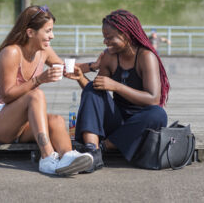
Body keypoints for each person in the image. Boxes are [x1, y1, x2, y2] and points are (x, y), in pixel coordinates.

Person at [0, 5, 93, 176]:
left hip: (20, 120)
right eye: (48, 31)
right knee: (36, 95)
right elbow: (7, 95)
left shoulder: (44, 51)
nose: (52, 36)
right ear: (30, 32)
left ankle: (68, 158)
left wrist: (95, 65)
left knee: (57, 120)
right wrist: (39, 80)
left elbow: (67, 68)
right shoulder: (11, 52)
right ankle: (47, 157)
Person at [65, 9, 170, 173]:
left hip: (139, 123)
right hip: (116, 119)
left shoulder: (146, 56)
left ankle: (103, 147)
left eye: (109, 37)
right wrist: (80, 77)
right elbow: (96, 92)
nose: (105, 42)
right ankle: (92, 151)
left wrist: (116, 86)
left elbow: (153, 99)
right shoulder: (109, 56)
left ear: (126, 35)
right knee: (92, 88)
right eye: (104, 37)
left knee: (158, 114)